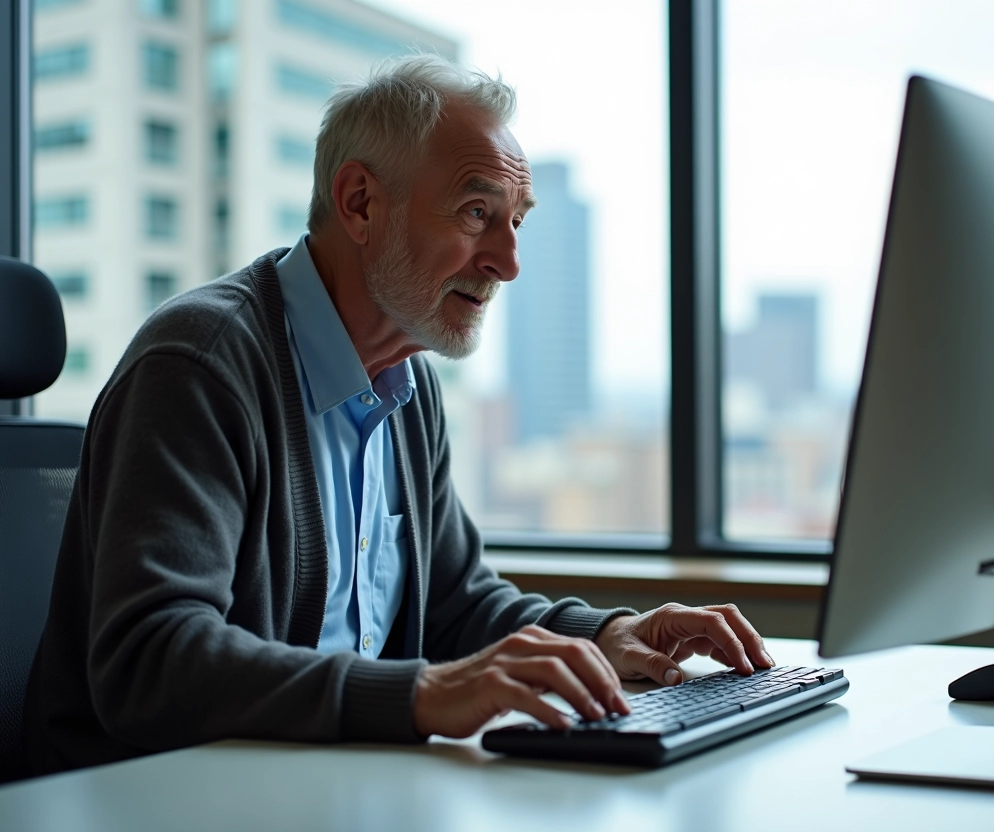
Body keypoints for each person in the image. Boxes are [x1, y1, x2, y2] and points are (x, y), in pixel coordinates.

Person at [21, 55, 774, 777]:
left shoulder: (405, 380)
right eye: (477, 212)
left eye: (517, 221)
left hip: (319, 790)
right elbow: (149, 661)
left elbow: (456, 603)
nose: (507, 261)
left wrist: (607, 636)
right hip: (151, 801)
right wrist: (420, 694)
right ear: (359, 203)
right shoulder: (201, 364)